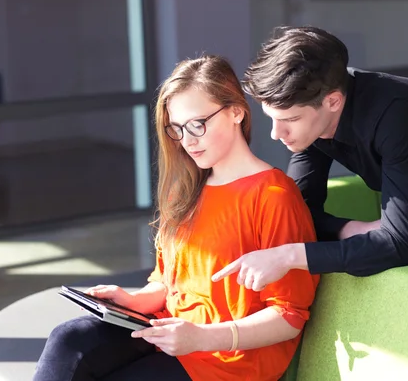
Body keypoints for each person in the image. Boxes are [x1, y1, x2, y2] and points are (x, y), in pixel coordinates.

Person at [33, 55, 319, 381]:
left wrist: (202, 337)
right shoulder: (186, 191)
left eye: (198, 124)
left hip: (228, 358)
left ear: (236, 112)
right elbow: (167, 282)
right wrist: (133, 300)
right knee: (68, 340)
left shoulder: (273, 196)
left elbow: (289, 316)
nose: (188, 140)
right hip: (169, 330)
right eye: (177, 129)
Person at [212, 26, 408, 288]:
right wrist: (347, 228)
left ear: (332, 101)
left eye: (289, 119)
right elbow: (296, 211)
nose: (277, 133)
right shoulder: (314, 116)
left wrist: (290, 256)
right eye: (272, 118)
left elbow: (399, 245)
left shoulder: (396, 117)